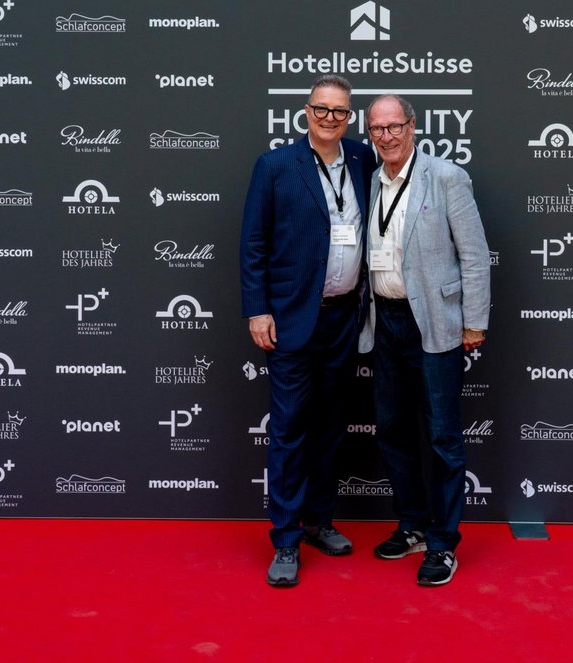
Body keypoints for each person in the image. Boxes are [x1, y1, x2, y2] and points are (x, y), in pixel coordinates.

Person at [240, 74, 376, 587]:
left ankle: (320, 521)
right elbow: (254, 243)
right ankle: (285, 539)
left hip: (344, 317)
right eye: (321, 109)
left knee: (331, 425)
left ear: (349, 117)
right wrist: (258, 310)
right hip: (292, 318)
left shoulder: (362, 159)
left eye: (339, 111)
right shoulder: (275, 166)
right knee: (290, 428)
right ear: (306, 111)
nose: (329, 118)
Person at [359, 95, 490, 586]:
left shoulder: (447, 177)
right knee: (392, 430)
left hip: (435, 322)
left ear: (412, 127)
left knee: (442, 436)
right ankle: (412, 523)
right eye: (377, 129)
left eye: (394, 126)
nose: (386, 136)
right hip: (385, 321)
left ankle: (442, 542)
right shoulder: (372, 180)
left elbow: (474, 256)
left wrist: (473, 323)